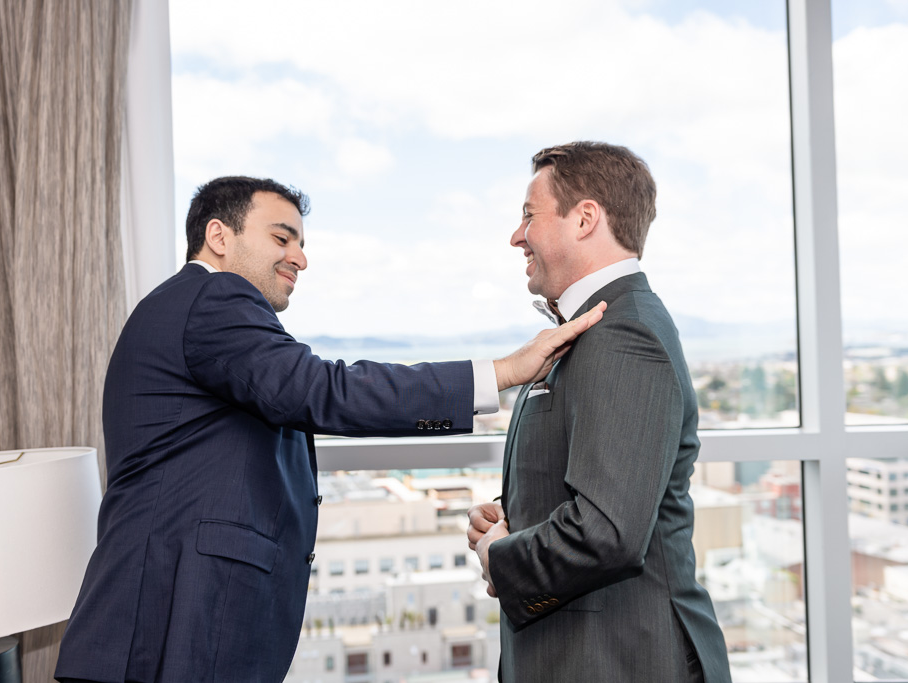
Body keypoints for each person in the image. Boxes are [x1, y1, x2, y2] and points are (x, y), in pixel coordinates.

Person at [54, 176, 604, 683]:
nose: (300, 257)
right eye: (281, 237)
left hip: (170, 620)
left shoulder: (187, 308)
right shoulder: (213, 299)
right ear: (218, 236)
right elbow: (325, 391)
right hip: (177, 620)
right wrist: (503, 373)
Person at [467, 142, 731, 682]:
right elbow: (605, 479)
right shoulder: (596, 326)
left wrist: (503, 559)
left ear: (585, 218)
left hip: (621, 659)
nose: (517, 236)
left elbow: (606, 532)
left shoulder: (624, 333)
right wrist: (514, 513)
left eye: (528, 216)